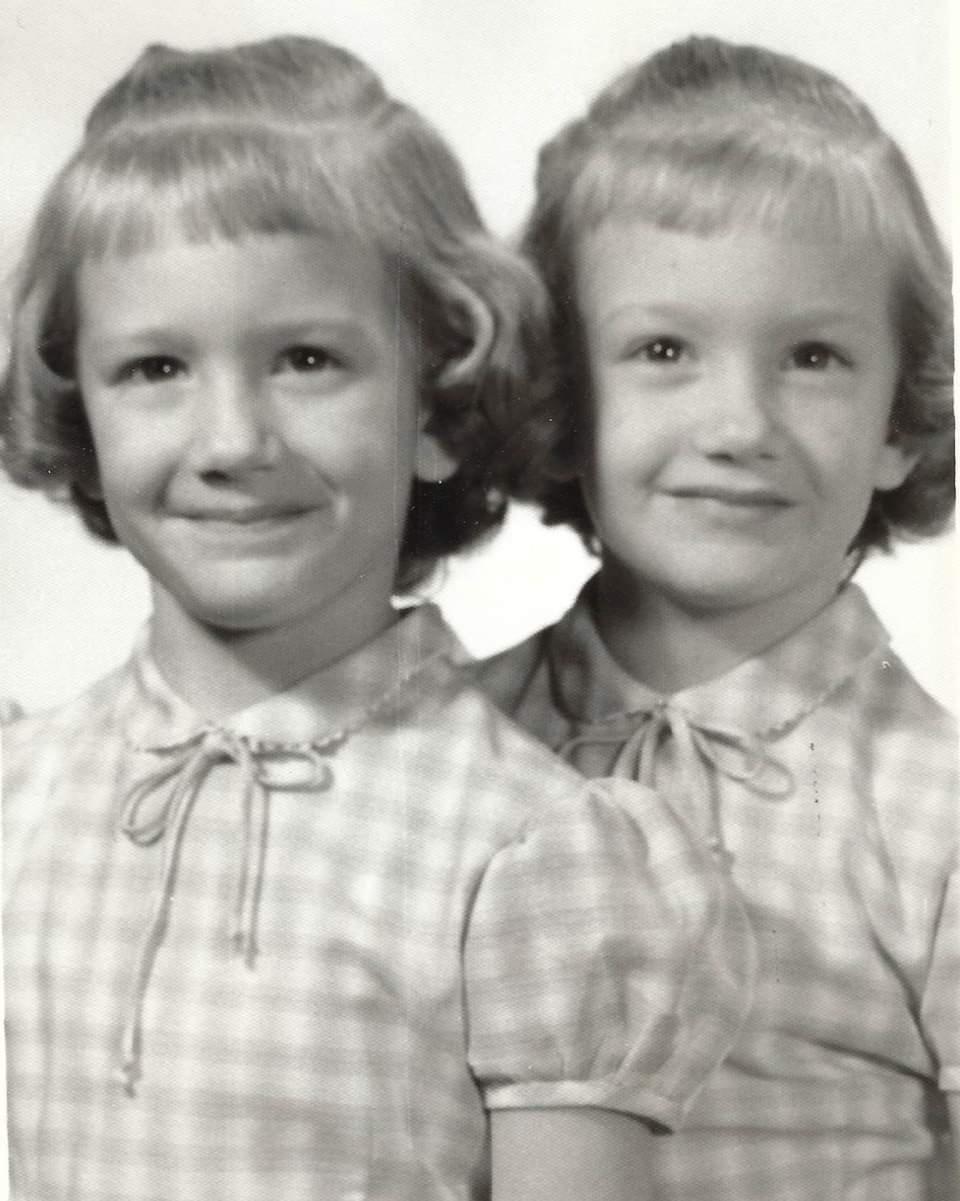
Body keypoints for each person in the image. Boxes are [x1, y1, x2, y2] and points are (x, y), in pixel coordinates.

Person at [0, 35, 756, 1201]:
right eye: (155, 368)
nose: (232, 441)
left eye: (306, 358)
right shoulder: (27, 794)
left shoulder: (528, 848)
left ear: (440, 408)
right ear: (79, 417)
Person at [477, 35, 957, 1201]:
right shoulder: (452, 747)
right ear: (559, 396)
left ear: (901, 417)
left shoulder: (932, 809)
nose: (740, 420)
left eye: (812, 355)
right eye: (663, 350)